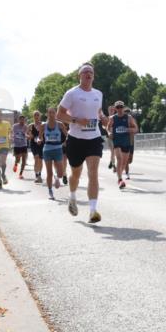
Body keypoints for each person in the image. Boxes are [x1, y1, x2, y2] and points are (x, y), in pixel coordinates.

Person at [57, 63, 107, 223]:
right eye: (85, 72)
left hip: (94, 138)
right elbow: (59, 114)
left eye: (91, 72)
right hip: (76, 140)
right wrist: (76, 120)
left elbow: (98, 112)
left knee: (93, 173)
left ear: (93, 76)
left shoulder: (98, 94)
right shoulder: (72, 93)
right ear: (80, 75)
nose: (88, 74)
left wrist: (103, 118)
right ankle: (72, 197)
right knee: (76, 174)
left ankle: (93, 211)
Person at [109, 101, 138, 189]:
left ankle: (120, 176)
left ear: (123, 108)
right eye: (118, 107)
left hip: (126, 142)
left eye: (121, 107)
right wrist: (109, 132)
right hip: (117, 142)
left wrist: (130, 129)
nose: (120, 109)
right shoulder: (112, 118)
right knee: (119, 159)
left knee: (125, 163)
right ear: (115, 109)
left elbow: (136, 128)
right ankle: (120, 179)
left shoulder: (129, 118)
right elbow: (108, 127)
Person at [41, 107, 68, 200]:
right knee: (49, 172)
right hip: (47, 150)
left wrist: (65, 142)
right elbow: (40, 137)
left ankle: (57, 178)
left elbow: (67, 135)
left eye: (53, 112)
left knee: (60, 172)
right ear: (47, 114)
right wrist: (38, 140)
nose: (51, 114)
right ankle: (50, 191)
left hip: (58, 149)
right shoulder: (43, 126)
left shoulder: (60, 125)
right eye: (49, 113)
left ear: (55, 114)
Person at [28, 110, 45, 183]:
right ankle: (36, 176)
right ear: (33, 116)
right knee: (36, 158)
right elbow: (27, 134)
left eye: (38, 115)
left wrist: (41, 139)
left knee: (40, 160)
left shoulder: (43, 124)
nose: (36, 116)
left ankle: (40, 175)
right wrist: (29, 136)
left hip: (41, 143)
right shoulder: (30, 125)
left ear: (40, 116)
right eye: (35, 115)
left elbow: (46, 133)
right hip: (33, 144)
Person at [123, 107, 136, 180]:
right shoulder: (120, 120)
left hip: (131, 142)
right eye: (126, 112)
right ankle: (127, 174)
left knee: (130, 160)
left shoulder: (132, 120)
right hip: (123, 142)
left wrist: (132, 129)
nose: (127, 113)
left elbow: (136, 129)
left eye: (128, 112)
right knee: (126, 160)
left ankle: (123, 166)